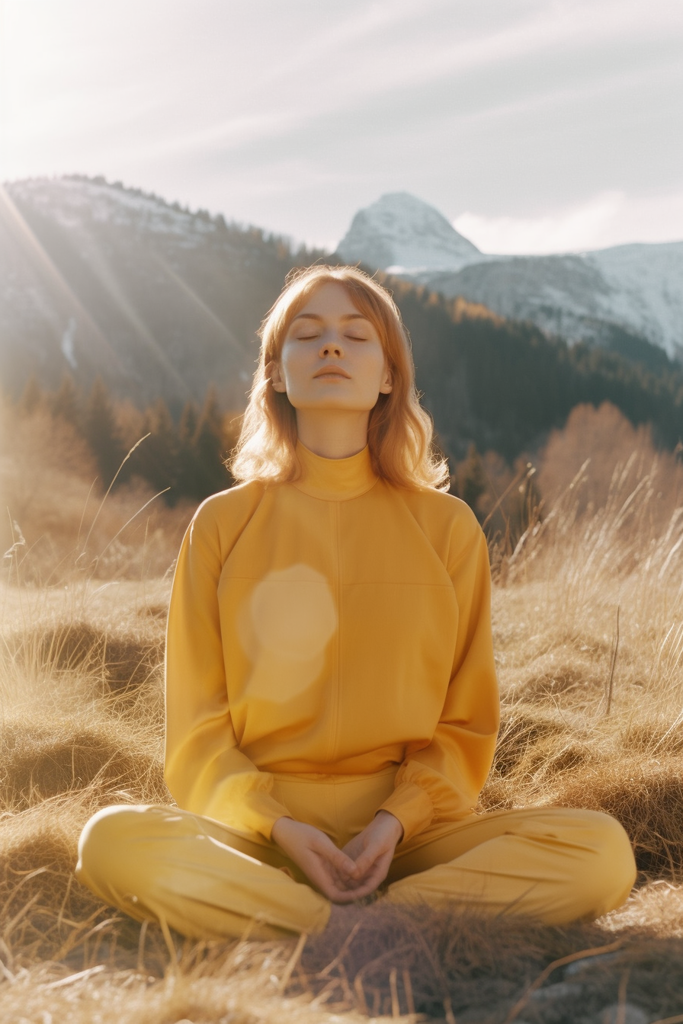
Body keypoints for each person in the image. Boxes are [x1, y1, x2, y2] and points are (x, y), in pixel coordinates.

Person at [76, 265, 636, 941]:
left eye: (355, 335)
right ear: (276, 375)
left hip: (410, 838)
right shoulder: (223, 525)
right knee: (110, 841)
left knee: (601, 853)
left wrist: (394, 821)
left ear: (389, 376)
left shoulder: (446, 528)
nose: (331, 347)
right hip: (263, 835)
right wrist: (277, 825)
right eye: (306, 335)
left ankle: (342, 923)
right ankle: (359, 929)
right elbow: (196, 731)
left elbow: (464, 725)